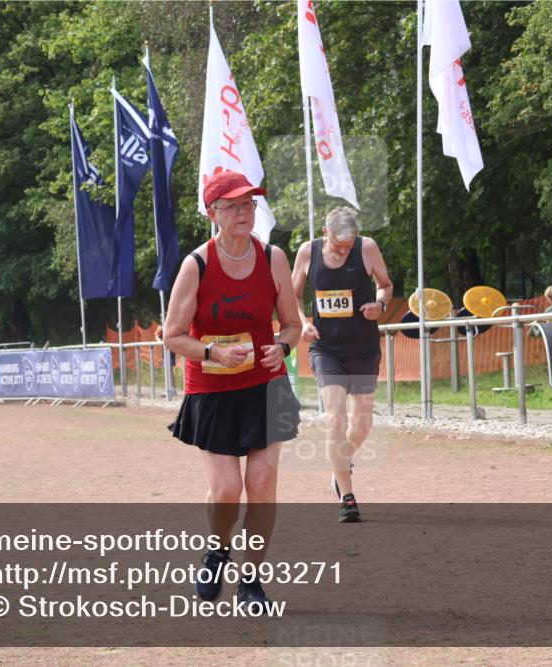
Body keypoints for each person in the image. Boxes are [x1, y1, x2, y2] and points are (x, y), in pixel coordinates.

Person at [163, 170, 301, 610]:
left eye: (249, 204)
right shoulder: (196, 265)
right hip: (212, 387)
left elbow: (293, 325)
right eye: (233, 206)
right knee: (226, 490)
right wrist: (212, 353)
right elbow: (172, 335)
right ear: (213, 213)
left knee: (261, 483)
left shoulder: (273, 258)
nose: (244, 213)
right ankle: (218, 548)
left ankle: (251, 582)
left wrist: (283, 347)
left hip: (266, 384)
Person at [291, 207, 393, 523]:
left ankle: (340, 465)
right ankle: (347, 497)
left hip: (363, 349)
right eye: (338, 246)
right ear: (326, 232)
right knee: (336, 416)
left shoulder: (367, 248)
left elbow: (386, 285)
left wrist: (380, 304)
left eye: (349, 247)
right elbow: (292, 296)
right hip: (327, 349)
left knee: (362, 424)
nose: (343, 252)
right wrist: (303, 322)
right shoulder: (307, 253)